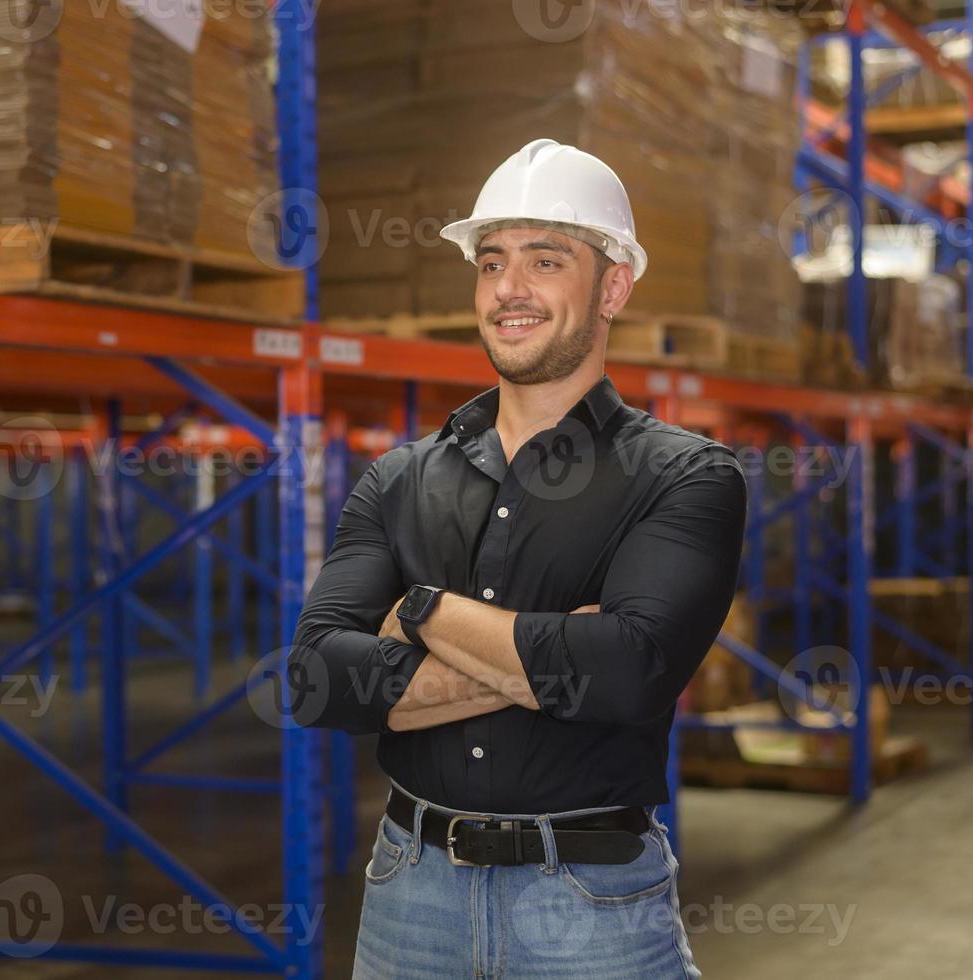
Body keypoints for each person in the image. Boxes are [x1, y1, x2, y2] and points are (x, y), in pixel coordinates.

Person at [290, 139, 746, 978]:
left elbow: (628, 672)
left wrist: (424, 613)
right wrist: (541, 663)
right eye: (491, 261)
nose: (509, 289)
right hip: (408, 895)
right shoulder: (397, 479)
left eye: (545, 260)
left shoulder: (684, 475)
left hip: (591, 905)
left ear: (612, 286)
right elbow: (318, 680)